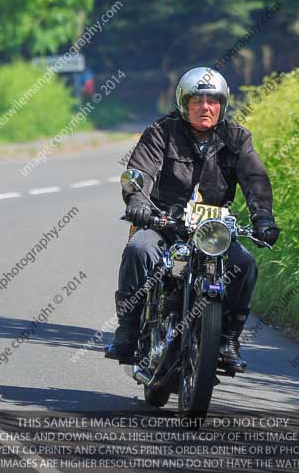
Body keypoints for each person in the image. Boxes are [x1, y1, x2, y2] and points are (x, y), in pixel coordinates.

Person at [105, 66, 279, 370]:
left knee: (245, 264)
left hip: (212, 231)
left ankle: (228, 339)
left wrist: (263, 218)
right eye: (197, 100)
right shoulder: (161, 131)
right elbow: (141, 171)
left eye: (213, 100)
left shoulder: (236, 137)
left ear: (222, 105)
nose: (205, 107)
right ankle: (128, 331)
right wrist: (137, 202)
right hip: (165, 224)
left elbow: (255, 179)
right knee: (138, 250)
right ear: (184, 103)